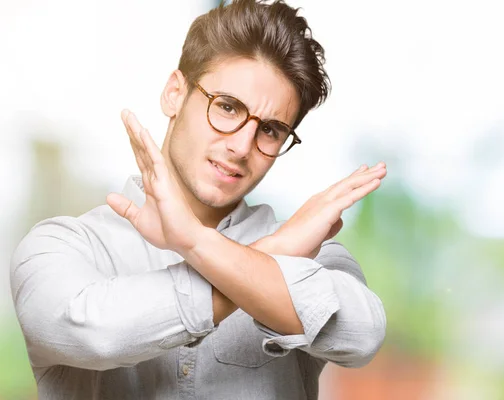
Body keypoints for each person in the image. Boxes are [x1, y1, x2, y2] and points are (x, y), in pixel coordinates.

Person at [10, 0, 387, 398]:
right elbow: (93, 333)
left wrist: (192, 240)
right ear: (175, 93)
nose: (243, 147)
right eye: (227, 107)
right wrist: (272, 255)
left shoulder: (314, 253)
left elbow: (361, 334)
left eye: (272, 131)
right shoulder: (62, 245)